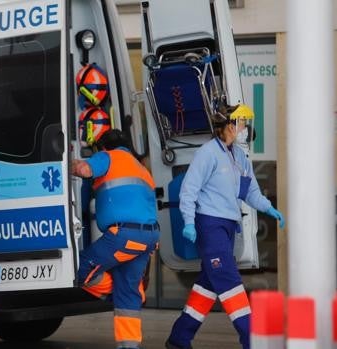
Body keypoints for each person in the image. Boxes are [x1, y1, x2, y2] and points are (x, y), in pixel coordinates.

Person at [164, 104, 285, 349]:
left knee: (207, 286)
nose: (245, 129)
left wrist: (268, 207)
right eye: (242, 123)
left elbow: (250, 191)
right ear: (229, 125)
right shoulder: (208, 153)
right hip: (209, 225)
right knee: (228, 280)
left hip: (229, 226)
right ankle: (251, 338)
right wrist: (189, 221)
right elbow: (189, 189)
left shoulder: (239, 156)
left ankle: (179, 338)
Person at [72, 129, 160, 349]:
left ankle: (118, 292)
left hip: (123, 235)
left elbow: (84, 169)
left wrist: (63, 162)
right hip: (148, 238)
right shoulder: (141, 168)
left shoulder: (108, 156)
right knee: (128, 294)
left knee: (79, 267)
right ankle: (129, 345)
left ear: (104, 147)